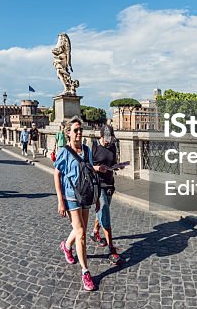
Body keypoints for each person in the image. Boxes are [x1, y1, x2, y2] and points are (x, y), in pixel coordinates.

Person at [53, 117, 97, 291]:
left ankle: (67, 246)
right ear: (68, 133)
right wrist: (60, 200)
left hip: (85, 194)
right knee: (81, 233)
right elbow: (56, 174)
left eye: (80, 130)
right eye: (75, 130)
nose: (79, 133)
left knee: (81, 230)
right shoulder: (64, 152)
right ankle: (85, 272)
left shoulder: (87, 150)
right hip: (71, 196)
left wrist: (97, 197)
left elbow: (92, 172)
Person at [90, 135, 123, 265]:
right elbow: (87, 165)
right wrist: (98, 168)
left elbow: (112, 162)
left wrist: (118, 166)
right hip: (98, 185)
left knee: (102, 211)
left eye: (111, 140)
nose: (109, 142)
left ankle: (94, 232)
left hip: (109, 184)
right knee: (104, 211)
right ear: (102, 136)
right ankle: (111, 249)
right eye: (107, 140)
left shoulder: (113, 147)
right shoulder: (93, 146)